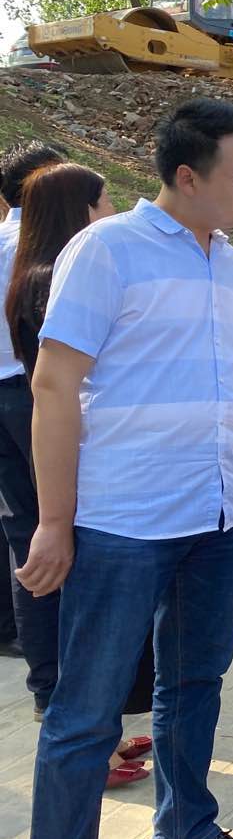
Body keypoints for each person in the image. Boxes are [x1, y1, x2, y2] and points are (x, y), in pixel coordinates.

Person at [20, 98, 233, 839]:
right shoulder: (108, 250)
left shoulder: (230, 262)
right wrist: (54, 521)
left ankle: (187, 828)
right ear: (188, 177)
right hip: (126, 522)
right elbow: (54, 384)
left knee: (194, 688)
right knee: (87, 711)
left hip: (219, 520)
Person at [3, 162, 156, 791]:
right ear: (78, 209)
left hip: (15, 411)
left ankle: (77, 721)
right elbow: (70, 378)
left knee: (31, 547)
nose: (111, 212)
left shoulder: (26, 265)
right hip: (39, 416)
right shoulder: (56, 277)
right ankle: (81, 732)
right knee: (57, 554)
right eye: (104, 202)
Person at [0, 141, 66, 674]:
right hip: (34, 397)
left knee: (24, 536)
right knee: (66, 529)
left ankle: (45, 683)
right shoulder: (49, 249)